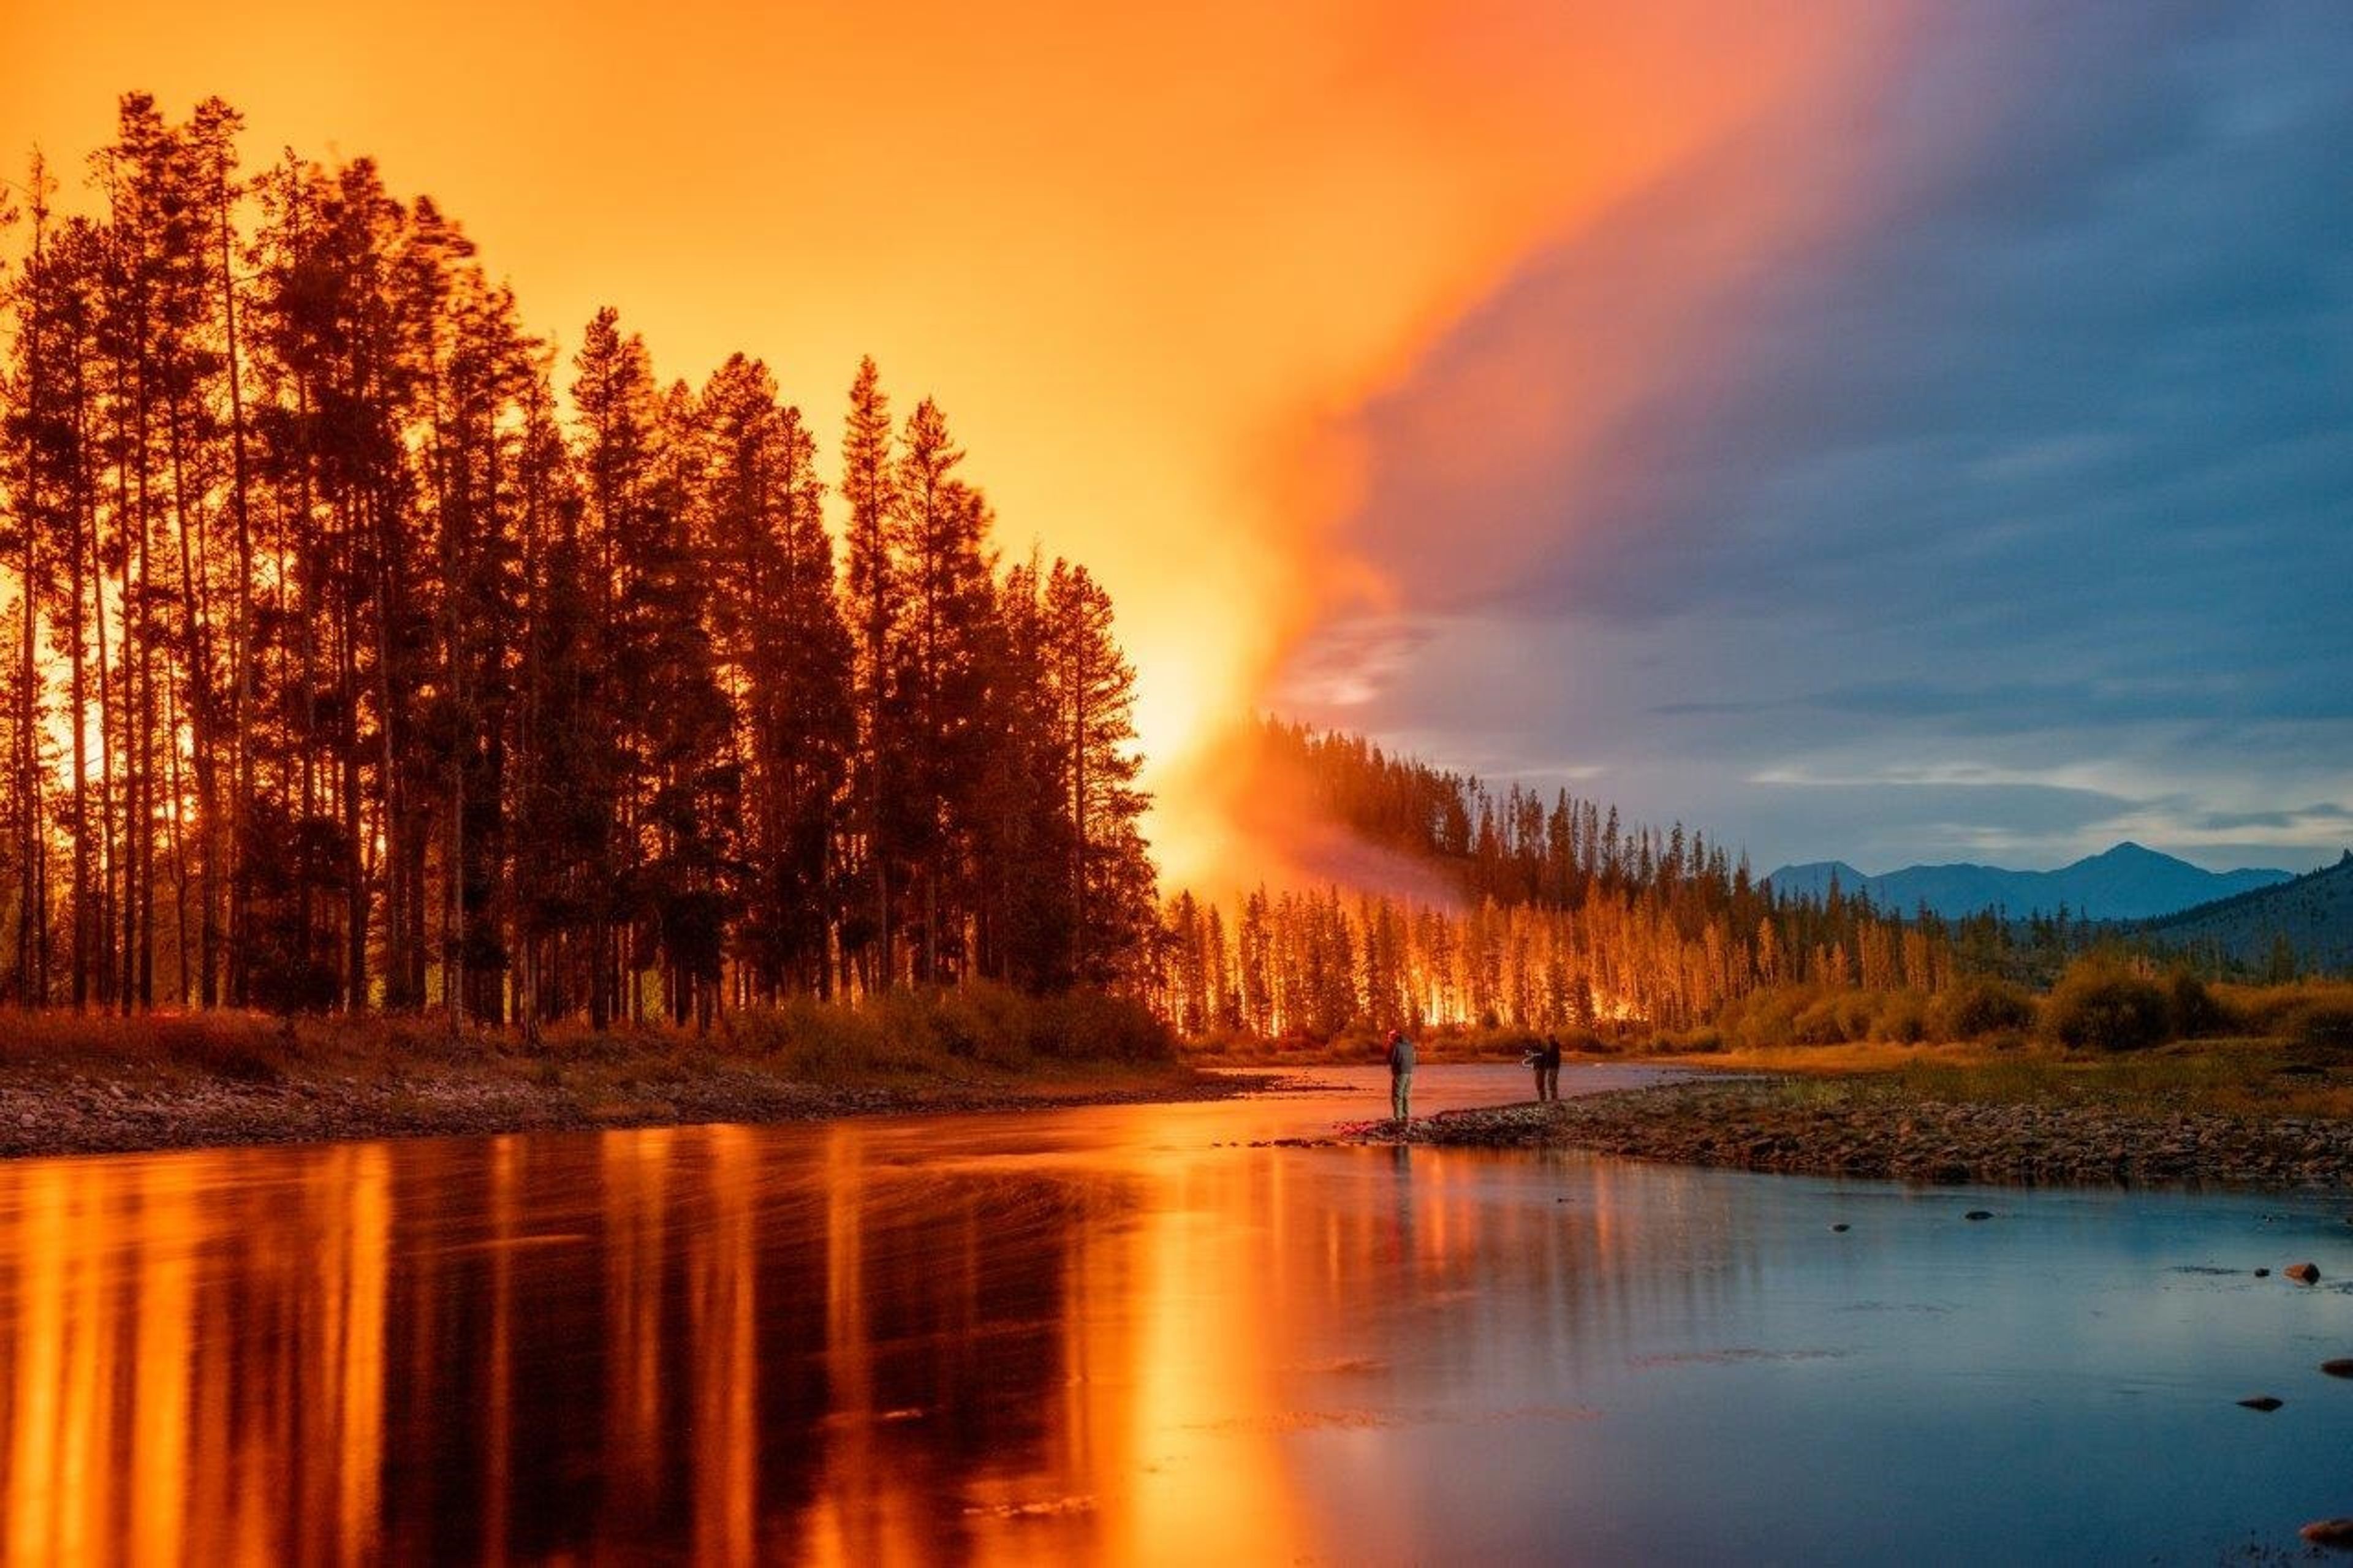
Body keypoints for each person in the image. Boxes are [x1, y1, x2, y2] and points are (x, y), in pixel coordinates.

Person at [1385, 1027, 1415, 1126]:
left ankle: (1398, 1117)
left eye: (1390, 1036)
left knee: (1397, 1096)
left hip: (1400, 1073)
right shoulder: (1410, 1045)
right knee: (1406, 1095)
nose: (1389, 1037)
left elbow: (1390, 1059)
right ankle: (1406, 1115)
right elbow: (1414, 1059)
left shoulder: (1396, 1046)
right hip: (1410, 1072)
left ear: (1394, 1037)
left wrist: (1390, 1045)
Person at [1539, 1034, 1563, 1102]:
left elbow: (1552, 1056)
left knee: (1552, 1082)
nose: (1549, 1040)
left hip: (1554, 1067)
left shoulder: (1555, 1046)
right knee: (1551, 1082)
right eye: (1548, 1039)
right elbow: (1549, 1056)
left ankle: (1555, 1097)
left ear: (1553, 1038)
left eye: (1550, 1039)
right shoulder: (1551, 1046)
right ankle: (1554, 1097)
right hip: (1551, 1067)